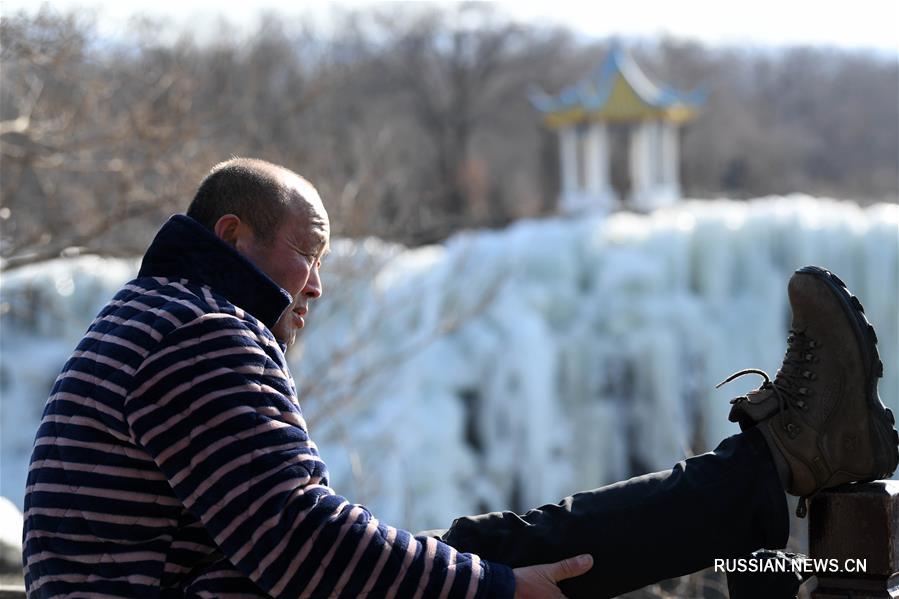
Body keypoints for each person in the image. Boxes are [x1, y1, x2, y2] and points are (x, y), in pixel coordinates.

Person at [22, 158, 898, 598]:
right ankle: (781, 458)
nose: (318, 283)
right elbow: (296, 538)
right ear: (231, 237)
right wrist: (486, 589)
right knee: (516, 558)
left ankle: (769, 468)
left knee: (502, 542)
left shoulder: (144, 318)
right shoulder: (198, 333)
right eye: (307, 252)